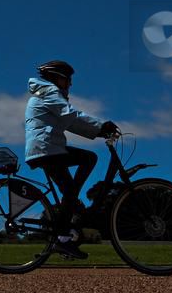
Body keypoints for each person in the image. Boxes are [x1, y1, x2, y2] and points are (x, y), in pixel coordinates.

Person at [25, 60, 120, 260]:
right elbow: (70, 115)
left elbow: (69, 122)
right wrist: (101, 126)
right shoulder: (49, 91)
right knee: (88, 159)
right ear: (56, 77)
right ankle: (62, 237)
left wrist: (98, 131)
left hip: (48, 148)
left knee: (72, 189)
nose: (70, 84)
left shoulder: (45, 92)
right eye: (68, 79)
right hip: (47, 149)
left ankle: (65, 226)